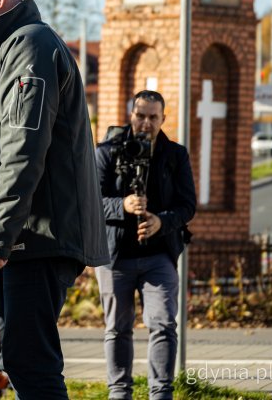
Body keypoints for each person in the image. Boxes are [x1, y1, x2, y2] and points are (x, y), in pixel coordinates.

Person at [0, 0, 109, 399]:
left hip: (35, 239)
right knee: (16, 358)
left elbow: (23, 151)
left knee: (29, 360)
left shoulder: (29, 46)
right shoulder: (1, 53)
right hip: (24, 239)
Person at [94, 90, 196, 400]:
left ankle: (160, 394)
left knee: (164, 323)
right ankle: (119, 393)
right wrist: (122, 205)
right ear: (131, 115)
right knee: (117, 329)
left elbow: (187, 205)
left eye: (153, 117)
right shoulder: (107, 151)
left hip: (159, 255)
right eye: (140, 116)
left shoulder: (175, 155)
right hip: (115, 257)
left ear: (163, 119)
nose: (146, 123)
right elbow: (90, 202)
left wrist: (161, 221)